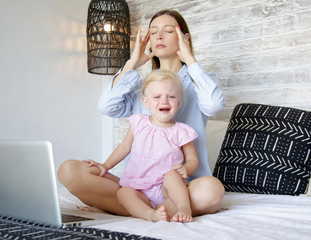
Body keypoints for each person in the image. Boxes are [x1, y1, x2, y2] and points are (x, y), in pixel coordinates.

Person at [58, 9, 226, 218]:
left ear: (184, 38)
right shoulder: (141, 89)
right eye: (153, 32)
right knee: (69, 170)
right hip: (137, 187)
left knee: (212, 190)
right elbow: (106, 107)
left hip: (179, 189)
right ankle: (145, 210)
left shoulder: (198, 82)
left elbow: (214, 104)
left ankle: (133, 210)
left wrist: (190, 60)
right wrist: (132, 63)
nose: (159, 36)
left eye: (167, 31)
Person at [88, 69, 199, 222]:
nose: (164, 101)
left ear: (179, 102)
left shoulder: (182, 131)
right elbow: (124, 147)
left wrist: (186, 169)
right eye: (157, 97)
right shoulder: (138, 122)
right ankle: (150, 215)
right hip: (138, 187)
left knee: (172, 176)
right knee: (123, 193)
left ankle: (183, 208)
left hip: (165, 189)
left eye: (171, 96)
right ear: (146, 102)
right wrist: (105, 166)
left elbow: (192, 159)